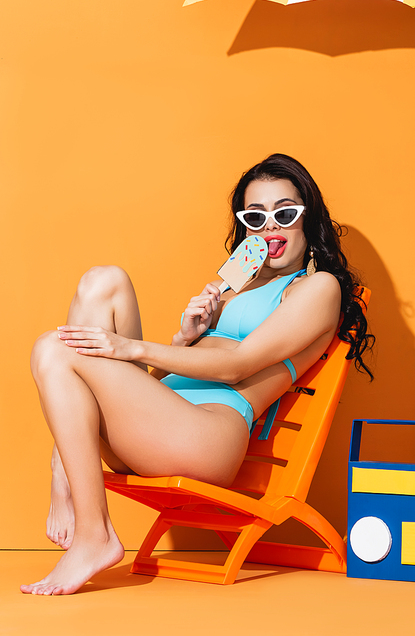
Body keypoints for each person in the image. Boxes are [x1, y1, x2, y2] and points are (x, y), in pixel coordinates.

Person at [21, 153, 373, 596]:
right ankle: (65, 467)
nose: (270, 228)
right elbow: (160, 381)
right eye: (256, 217)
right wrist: (185, 339)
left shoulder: (318, 288)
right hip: (155, 426)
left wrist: (131, 347)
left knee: (54, 347)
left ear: (308, 218)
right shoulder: (238, 285)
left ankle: (92, 528)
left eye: (285, 214)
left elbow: (237, 366)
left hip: (206, 434)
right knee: (102, 281)